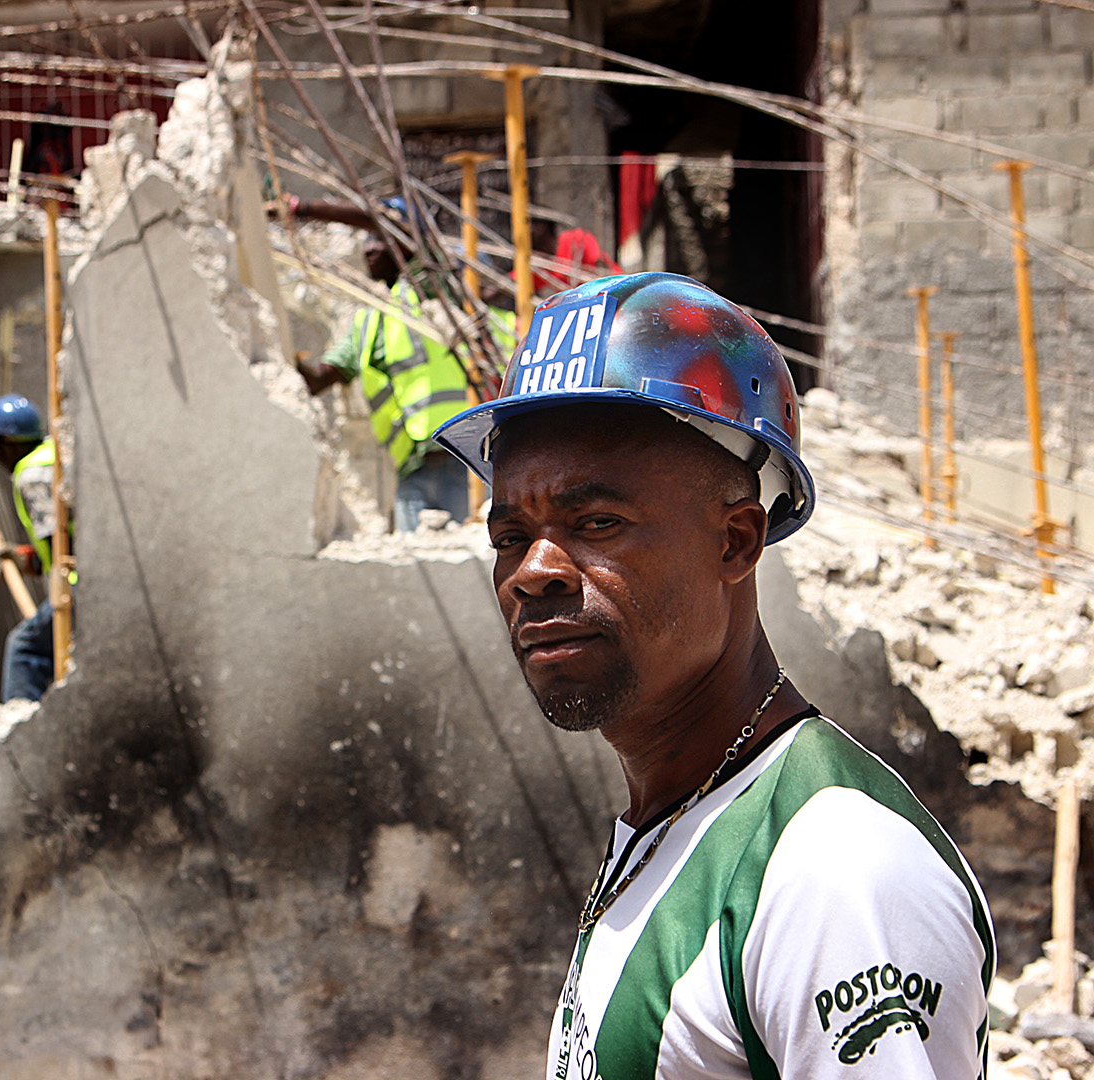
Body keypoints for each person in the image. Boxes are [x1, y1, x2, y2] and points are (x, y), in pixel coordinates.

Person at [433, 272, 993, 1078]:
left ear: (736, 542)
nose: (534, 570)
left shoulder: (835, 872)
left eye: (597, 523)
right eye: (510, 535)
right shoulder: (674, 818)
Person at [284, 196, 483, 530]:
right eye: (366, 241)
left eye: (377, 240)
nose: (369, 249)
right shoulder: (368, 322)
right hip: (409, 471)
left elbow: (386, 222)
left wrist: (300, 208)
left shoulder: (431, 287)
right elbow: (320, 378)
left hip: (461, 462)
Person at [0, 394, 64, 702]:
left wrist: (60, 586)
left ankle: (21, 725)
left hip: (79, 585)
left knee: (25, 648)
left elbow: (61, 540)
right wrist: (28, 559)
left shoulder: (31, 474)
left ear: (6, 444)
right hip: (92, 577)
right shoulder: (52, 455)